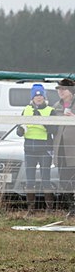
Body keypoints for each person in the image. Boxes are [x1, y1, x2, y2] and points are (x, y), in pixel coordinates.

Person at [16, 84, 56, 211]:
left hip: (44, 149)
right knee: (30, 181)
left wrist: (42, 120)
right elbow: (19, 129)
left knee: (45, 179)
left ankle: (49, 208)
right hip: (29, 149)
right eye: (36, 95)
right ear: (32, 98)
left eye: (41, 95)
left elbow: (54, 129)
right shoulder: (26, 110)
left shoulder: (50, 111)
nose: (38, 98)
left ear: (44, 97)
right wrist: (21, 130)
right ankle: (31, 208)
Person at [53, 78, 75, 216]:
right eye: (59, 89)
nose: (60, 92)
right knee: (63, 180)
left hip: (73, 149)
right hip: (61, 150)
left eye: (63, 89)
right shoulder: (56, 106)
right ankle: (72, 208)